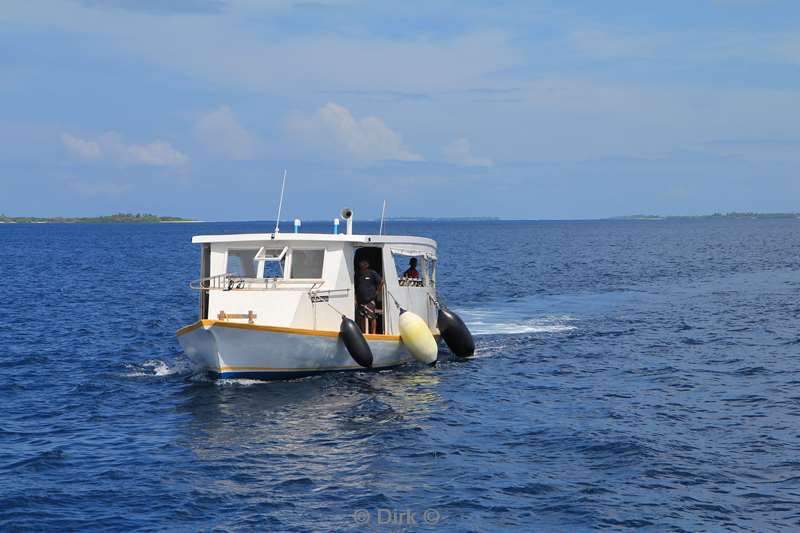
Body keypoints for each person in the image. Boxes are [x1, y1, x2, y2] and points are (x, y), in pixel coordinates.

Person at [354, 260, 383, 334]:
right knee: (362, 317)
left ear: (367, 265)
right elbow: (355, 286)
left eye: (364, 263)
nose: (362, 265)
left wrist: (377, 292)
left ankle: (373, 333)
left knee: (372, 317)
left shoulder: (372, 273)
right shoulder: (357, 274)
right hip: (360, 300)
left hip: (370, 299)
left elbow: (381, 281)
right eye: (361, 263)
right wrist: (355, 298)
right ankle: (363, 332)